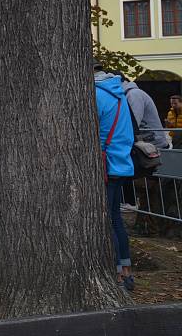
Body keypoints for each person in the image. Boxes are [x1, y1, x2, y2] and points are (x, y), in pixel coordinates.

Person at [94, 59, 135, 291]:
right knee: (116, 219)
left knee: (106, 219)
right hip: (120, 162)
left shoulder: (96, 94)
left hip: (105, 164)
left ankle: (118, 274)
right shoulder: (119, 93)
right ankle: (126, 272)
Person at [117, 75, 170, 150]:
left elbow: (133, 123)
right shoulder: (129, 94)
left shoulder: (134, 94)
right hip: (148, 144)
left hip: (154, 146)